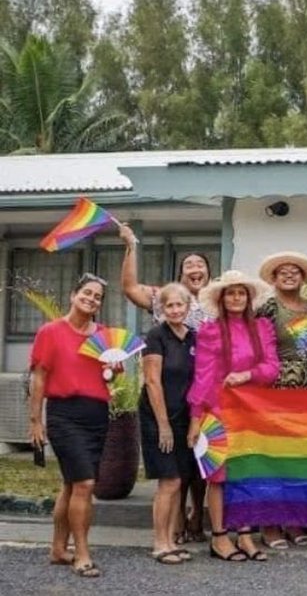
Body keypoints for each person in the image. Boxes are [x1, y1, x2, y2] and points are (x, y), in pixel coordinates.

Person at [118, 223, 212, 543]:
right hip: (164, 399)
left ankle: (197, 517)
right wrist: (131, 245)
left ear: (208, 275)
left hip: (199, 400)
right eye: (189, 265)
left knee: (197, 466)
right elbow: (130, 287)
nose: (195, 268)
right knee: (173, 476)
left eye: (201, 265)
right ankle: (172, 532)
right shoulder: (164, 301)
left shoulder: (215, 304)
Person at [186, 270, 280, 563]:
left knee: (246, 473)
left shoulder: (262, 327)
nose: (237, 297)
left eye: (241, 293)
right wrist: (195, 417)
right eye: (231, 293)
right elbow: (202, 376)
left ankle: (245, 535)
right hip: (217, 411)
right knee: (219, 475)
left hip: (251, 412)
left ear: (249, 298)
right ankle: (219, 536)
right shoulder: (210, 330)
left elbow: (272, 367)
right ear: (222, 298)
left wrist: (247, 374)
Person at [27, 273, 113, 578]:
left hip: (97, 414)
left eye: (97, 297)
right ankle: (82, 553)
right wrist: (36, 420)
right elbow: (38, 377)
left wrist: (113, 371)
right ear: (73, 295)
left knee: (71, 484)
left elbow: (110, 378)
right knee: (85, 485)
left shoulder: (103, 335)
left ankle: (58, 549)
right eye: (86, 293)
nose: (91, 299)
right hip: (64, 414)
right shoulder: (51, 331)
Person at [254, 251, 307, 549]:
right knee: (273, 458)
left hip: (306, 391)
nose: (290, 275)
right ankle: (269, 524)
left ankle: (294, 520)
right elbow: (257, 348)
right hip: (275, 390)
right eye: (284, 271)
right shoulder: (267, 308)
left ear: (303, 277)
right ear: (275, 277)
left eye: (295, 271)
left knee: (299, 459)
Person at [139, 282, 198, 565]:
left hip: (184, 419)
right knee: (169, 480)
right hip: (158, 417)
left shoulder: (193, 337)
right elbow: (152, 381)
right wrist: (163, 424)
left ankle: (172, 540)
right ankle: (159, 543)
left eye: (180, 304)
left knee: (178, 481)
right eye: (169, 305)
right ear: (162, 309)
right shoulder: (155, 335)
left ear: (188, 307)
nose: (175, 310)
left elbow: (199, 382)